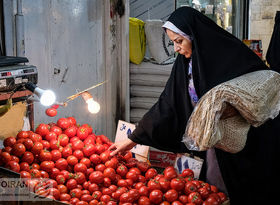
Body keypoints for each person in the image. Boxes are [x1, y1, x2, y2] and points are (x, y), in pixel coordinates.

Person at [109, 6, 280, 205]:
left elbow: (260, 89)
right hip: (215, 144)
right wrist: (133, 138)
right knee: (216, 191)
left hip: (246, 143)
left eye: (179, 41)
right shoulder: (184, 63)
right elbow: (167, 104)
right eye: (173, 43)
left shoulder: (230, 54)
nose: (176, 48)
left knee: (248, 188)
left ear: (194, 35)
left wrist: (228, 109)